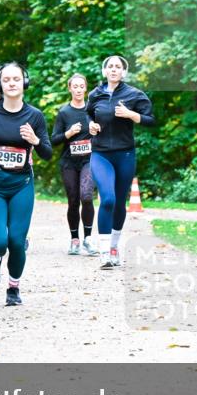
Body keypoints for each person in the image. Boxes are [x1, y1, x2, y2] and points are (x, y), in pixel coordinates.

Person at [0, 62, 52, 306]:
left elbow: (47, 153)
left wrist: (35, 140)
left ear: (24, 82)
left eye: (16, 79)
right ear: (0, 84)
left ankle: (13, 288)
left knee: (16, 241)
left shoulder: (35, 116)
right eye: (6, 80)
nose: (12, 83)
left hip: (21, 184)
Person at [86, 55, 154, 268]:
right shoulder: (95, 94)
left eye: (118, 67)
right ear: (104, 71)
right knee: (107, 199)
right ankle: (104, 252)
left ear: (124, 72)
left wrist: (131, 114)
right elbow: (88, 114)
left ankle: (114, 247)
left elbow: (150, 120)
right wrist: (90, 125)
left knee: (119, 202)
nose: (114, 69)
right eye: (110, 66)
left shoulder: (135, 94)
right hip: (100, 154)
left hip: (125, 155)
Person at [51, 74, 98, 256]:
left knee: (86, 196)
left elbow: (104, 132)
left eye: (81, 86)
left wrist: (98, 130)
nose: (78, 89)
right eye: (75, 86)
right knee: (73, 200)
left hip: (89, 160)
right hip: (69, 162)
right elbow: (54, 140)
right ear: (70, 88)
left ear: (85, 88)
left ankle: (88, 238)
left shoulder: (92, 111)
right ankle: (75, 240)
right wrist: (68, 133)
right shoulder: (64, 112)